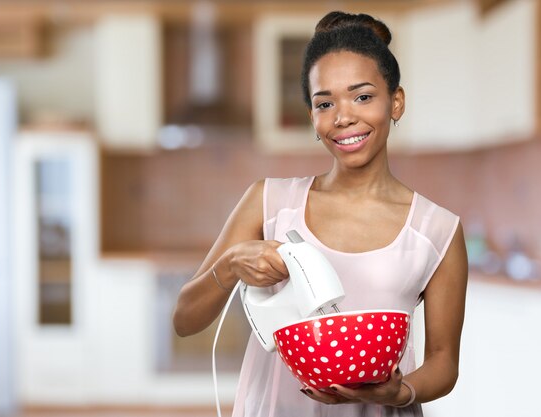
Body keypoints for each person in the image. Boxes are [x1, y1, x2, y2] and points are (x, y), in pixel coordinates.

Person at [173, 10, 468, 417]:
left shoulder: (438, 230)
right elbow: (185, 320)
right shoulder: (270, 202)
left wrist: (398, 394)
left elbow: (443, 362)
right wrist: (230, 265)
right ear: (312, 117)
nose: (343, 117)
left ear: (395, 102)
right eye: (324, 102)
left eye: (362, 96)